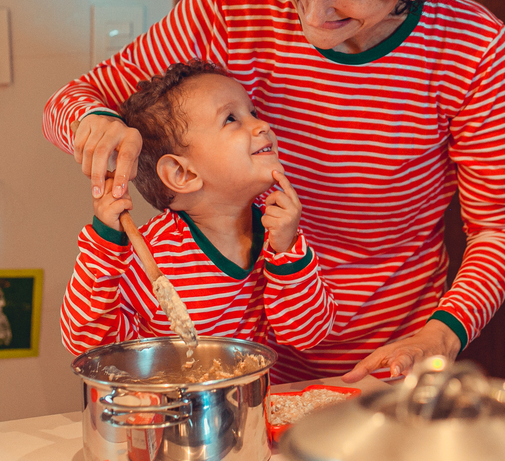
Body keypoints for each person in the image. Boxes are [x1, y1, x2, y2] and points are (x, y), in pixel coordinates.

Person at [45, 0, 505, 382]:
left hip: (392, 362)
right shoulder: (233, 5)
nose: (314, 13)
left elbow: (500, 228)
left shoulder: (471, 46)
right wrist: (98, 120)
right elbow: (73, 100)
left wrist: (441, 332)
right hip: (250, 369)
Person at [59, 60, 335, 358]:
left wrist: (288, 251)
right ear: (182, 174)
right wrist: (104, 245)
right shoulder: (151, 255)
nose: (263, 125)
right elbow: (86, 343)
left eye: (252, 113)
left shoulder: (276, 231)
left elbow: (307, 333)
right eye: (231, 119)